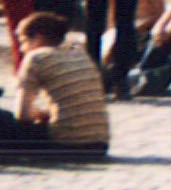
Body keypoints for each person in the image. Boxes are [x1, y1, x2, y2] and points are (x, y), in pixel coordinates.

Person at [0, 15, 106, 154]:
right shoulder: (79, 53)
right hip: (98, 143)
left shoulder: (36, 57)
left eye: (23, 42)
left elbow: (22, 115)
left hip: (65, 142)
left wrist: (38, 115)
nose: (21, 49)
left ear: (38, 38)